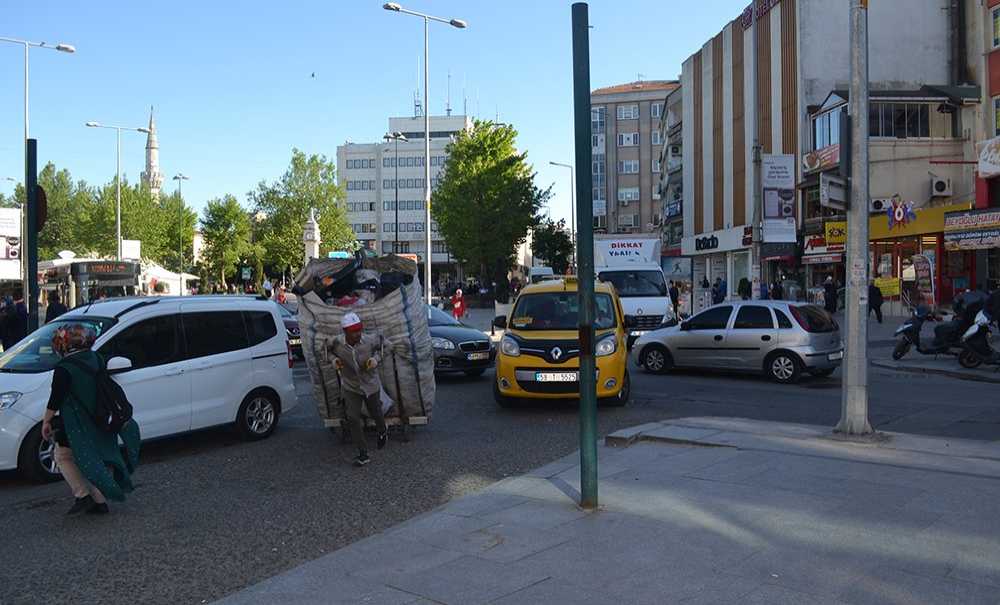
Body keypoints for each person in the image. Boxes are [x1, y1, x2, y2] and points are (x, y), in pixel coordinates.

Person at [42, 324, 140, 515]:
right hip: (101, 418)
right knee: (92, 458)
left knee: (62, 456)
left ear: (63, 346)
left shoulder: (64, 369)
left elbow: (56, 399)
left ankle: (83, 496)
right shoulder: (96, 358)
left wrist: (46, 421)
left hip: (76, 423)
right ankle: (99, 500)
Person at [328, 313, 387, 467]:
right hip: (351, 385)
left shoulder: (369, 340)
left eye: (358, 330)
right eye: (353, 331)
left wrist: (376, 359)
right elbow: (325, 350)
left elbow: (386, 346)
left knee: (376, 412)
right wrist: (333, 360)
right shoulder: (337, 343)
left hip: (370, 384)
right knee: (352, 417)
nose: (357, 334)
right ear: (345, 332)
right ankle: (363, 453)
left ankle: (382, 430)